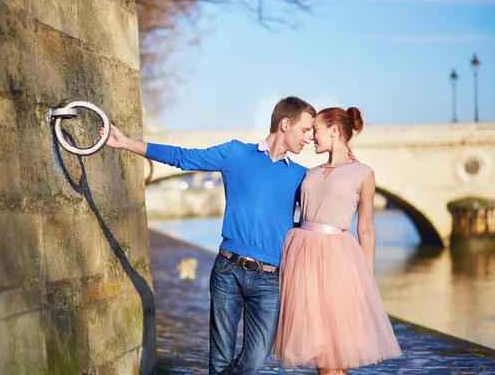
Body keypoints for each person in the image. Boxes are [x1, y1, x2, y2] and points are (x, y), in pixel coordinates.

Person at [101, 96, 315, 374]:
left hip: (270, 280)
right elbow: (183, 157)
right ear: (285, 124)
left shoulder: (301, 176)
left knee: (254, 361)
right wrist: (125, 142)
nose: (309, 138)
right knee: (220, 360)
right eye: (306, 129)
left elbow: (318, 219)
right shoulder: (235, 154)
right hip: (228, 270)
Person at [272, 107, 402, 374]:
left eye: (315, 130)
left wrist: (367, 275)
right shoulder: (308, 172)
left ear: (334, 130)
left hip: (337, 263)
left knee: (336, 348)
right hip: (302, 260)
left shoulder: (363, 173)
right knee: (319, 348)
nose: (310, 138)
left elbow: (366, 228)